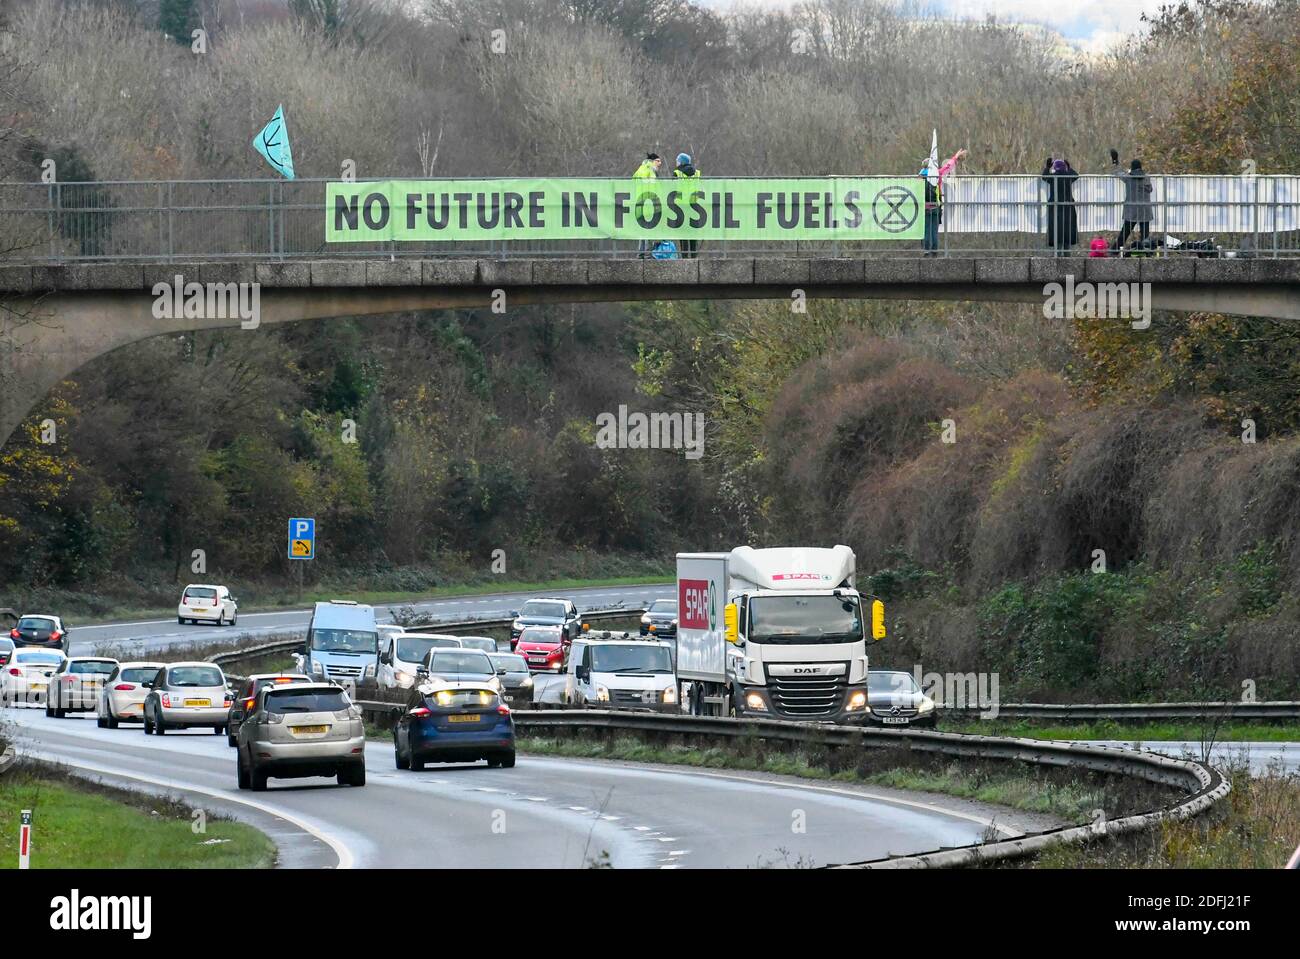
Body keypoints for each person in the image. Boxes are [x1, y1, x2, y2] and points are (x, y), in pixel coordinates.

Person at [920, 147, 967, 255]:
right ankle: (935, 251)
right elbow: (948, 166)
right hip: (936, 206)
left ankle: (926, 250)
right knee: (934, 231)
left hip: (924, 207)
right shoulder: (938, 173)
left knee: (926, 230)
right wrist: (956, 157)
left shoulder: (920, 176)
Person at [1109, 148, 1153, 252]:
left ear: (1132, 168)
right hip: (1145, 209)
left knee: (1125, 232)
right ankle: (1145, 251)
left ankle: (1115, 249)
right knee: (1145, 234)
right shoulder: (1147, 178)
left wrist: (1115, 161)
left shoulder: (1129, 178)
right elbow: (1150, 189)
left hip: (1131, 208)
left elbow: (1117, 172)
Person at [1042, 157, 1078, 255]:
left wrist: (1047, 167)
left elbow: (1044, 177)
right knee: (1067, 232)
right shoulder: (1068, 176)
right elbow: (1076, 175)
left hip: (1055, 208)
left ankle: (1057, 256)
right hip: (1068, 208)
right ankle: (1067, 256)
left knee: (1057, 232)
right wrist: (1069, 167)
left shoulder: (1053, 177)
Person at [673, 152, 701, 258]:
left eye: (678, 160)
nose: (676, 162)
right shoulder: (697, 173)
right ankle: (694, 257)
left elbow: (672, 188)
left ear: (681, 162)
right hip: (694, 205)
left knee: (683, 233)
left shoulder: (677, 173)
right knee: (693, 232)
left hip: (681, 206)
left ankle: (684, 257)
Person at [633, 152, 662, 258]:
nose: (660, 163)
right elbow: (653, 188)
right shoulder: (650, 171)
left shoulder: (640, 169)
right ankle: (648, 254)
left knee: (643, 230)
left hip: (639, 203)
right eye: (658, 161)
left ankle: (641, 254)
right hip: (649, 204)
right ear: (652, 161)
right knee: (649, 229)